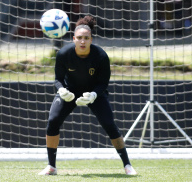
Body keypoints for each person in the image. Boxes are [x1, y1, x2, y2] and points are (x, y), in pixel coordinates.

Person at [38, 15, 137, 176]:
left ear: (91, 39)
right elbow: (58, 79)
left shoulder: (101, 56)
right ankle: (51, 167)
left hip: (93, 93)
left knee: (109, 124)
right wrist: (62, 90)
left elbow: (104, 83)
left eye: (86, 38)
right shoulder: (63, 54)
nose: (82, 41)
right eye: (79, 38)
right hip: (69, 92)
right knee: (53, 121)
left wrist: (93, 95)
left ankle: (127, 165)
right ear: (73, 38)